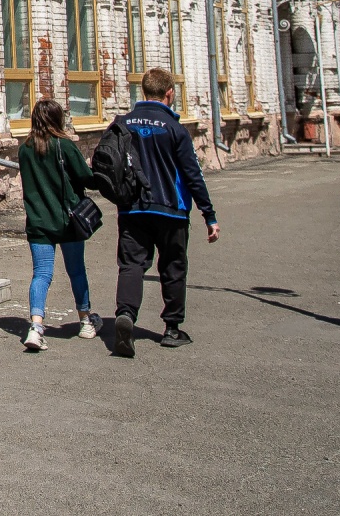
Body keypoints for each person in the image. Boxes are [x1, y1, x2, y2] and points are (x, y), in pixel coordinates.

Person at [110, 67, 219, 357]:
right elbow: (192, 174)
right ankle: (172, 328)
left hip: (133, 208)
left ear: (143, 92)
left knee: (132, 264)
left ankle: (126, 315)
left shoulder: (123, 123)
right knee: (172, 266)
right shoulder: (175, 128)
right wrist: (209, 215)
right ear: (169, 93)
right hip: (172, 209)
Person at [17, 98, 100, 351]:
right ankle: (85, 320)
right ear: (57, 119)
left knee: (41, 274)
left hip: (38, 222)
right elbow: (87, 178)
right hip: (68, 221)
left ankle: (36, 327)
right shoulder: (64, 145)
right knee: (76, 270)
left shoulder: (25, 149)